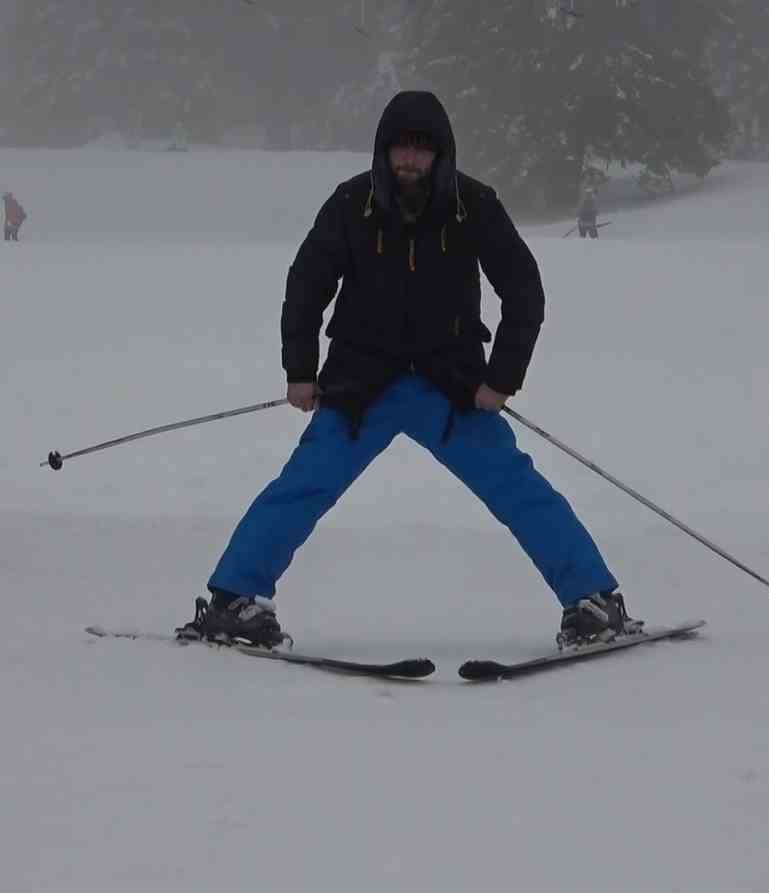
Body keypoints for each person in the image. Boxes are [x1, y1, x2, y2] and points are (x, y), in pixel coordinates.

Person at [178, 91, 640, 651]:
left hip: (451, 391)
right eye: (401, 146)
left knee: (519, 490)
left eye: (423, 149)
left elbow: (524, 292)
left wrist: (501, 379)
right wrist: (300, 370)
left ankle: (593, 602)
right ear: (383, 149)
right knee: (302, 488)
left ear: (441, 154)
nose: (410, 160)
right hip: (361, 389)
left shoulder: (474, 204)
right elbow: (305, 288)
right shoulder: (351, 204)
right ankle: (234, 603)